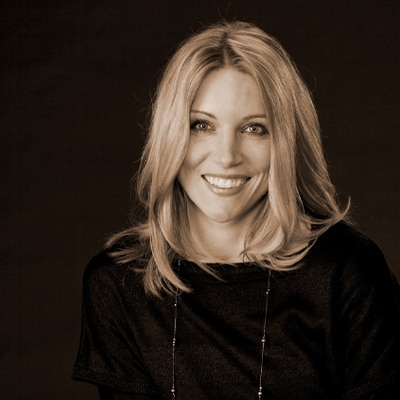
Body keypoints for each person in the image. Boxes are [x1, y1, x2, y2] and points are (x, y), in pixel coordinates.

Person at [72, 21, 400, 399]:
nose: (227, 156)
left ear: (287, 142)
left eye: (255, 128)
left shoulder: (347, 271)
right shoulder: (119, 281)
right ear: (170, 134)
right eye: (201, 125)